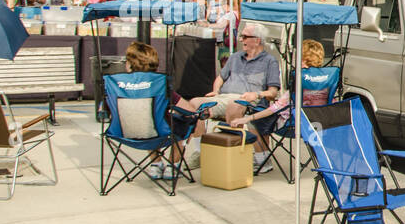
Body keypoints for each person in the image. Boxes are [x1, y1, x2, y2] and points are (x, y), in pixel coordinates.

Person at [118, 42, 209, 181]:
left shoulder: (116, 84)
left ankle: (155, 163)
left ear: (131, 64)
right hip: (158, 134)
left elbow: (105, 109)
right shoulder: (160, 85)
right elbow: (189, 109)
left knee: (146, 120)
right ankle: (173, 165)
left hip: (124, 133)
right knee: (183, 122)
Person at [232, 40, 326, 174]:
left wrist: (246, 119)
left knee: (256, 120)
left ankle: (262, 161)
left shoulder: (300, 79)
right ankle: (263, 158)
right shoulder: (325, 78)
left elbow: (274, 109)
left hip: (292, 126)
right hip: (316, 125)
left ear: (303, 58)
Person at [203, 22, 282, 125]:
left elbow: (272, 93)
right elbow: (221, 77)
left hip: (245, 100)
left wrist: (257, 94)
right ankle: (199, 140)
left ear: (257, 41)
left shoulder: (270, 62)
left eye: (244, 37)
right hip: (223, 97)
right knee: (195, 104)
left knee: (234, 105)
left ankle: (233, 140)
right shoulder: (235, 57)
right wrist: (215, 90)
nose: (240, 40)